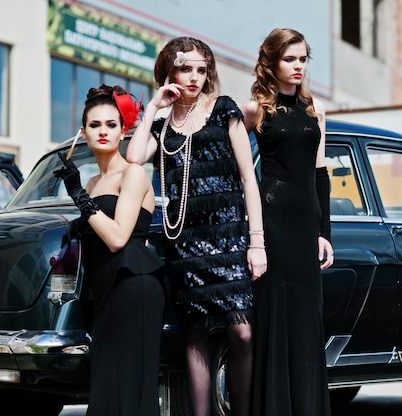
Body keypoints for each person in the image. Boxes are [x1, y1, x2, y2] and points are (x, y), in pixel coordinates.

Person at [127, 37, 267, 416]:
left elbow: (248, 180)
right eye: (186, 69)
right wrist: (154, 106)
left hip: (229, 237)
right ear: (169, 72)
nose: (194, 77)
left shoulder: (223, 110)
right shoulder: (162, 126)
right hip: (184, 241)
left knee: (242, 331)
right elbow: (133, 156)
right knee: (196, 331)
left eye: (202, 70)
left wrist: (257, 242)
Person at [54, 84, 165, 415]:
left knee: (128, 385)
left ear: (123, 130)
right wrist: (80, 226)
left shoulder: (133, 173)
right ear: (83, 133)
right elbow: (99, 230)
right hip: (104, 291)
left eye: (111, 124)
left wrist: (81, 201)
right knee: (106, 384)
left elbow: (118, 237)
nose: (103, 131)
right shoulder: (91, 183)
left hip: (134, 285)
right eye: (95, 125)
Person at [241, 28, 334, 415]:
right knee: (275, 320)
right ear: (271, 62)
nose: (297, 67)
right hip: (272, 226)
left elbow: (320, 174)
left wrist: (323, 233)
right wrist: (254, 235)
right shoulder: (254, 109)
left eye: (302, 59)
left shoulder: (316, 110)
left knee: (306, 323)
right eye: (289, 59)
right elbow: (236, 166)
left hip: (305, 230)